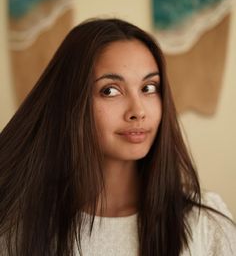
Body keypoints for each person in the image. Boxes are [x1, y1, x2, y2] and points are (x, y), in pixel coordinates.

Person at [0, 18, 235, 256]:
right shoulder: (21, 227)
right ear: (72, 101)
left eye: (149, 88)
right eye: (110, 90)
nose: (138, 111)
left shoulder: (205, 225)